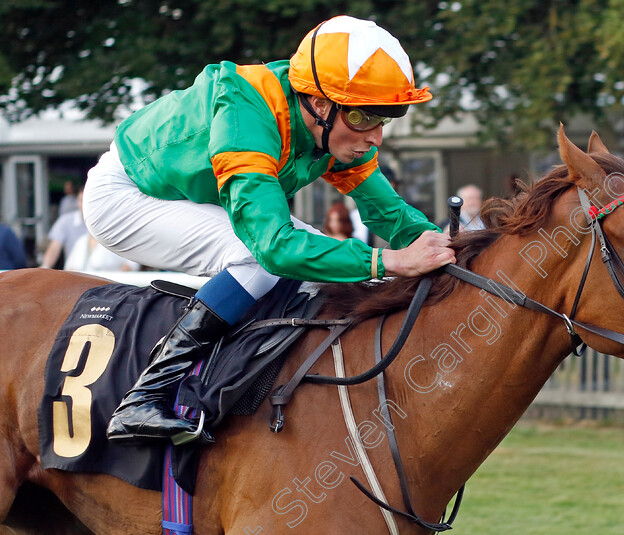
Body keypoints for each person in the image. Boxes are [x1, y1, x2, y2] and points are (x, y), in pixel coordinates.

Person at [83, 15, 455, 444]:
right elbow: (274, 247)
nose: (374, 138)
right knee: (260, 260)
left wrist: (451, 250)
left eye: (385, 118)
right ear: (320, 104)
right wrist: (386, 261)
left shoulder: (335, 124)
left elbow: (390, 215)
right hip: (127, 196)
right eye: (362, 117)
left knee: (312, 253)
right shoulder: (247, 114)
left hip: (186, 194)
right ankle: (146, 395)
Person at [40, 190, 89, 269]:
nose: (84, 204)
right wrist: (45, 267)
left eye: (88, 200)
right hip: (75, 271)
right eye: (81, 200)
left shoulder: (106, 221)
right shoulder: (66, 220)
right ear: (77, 202)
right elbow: (54, 247)